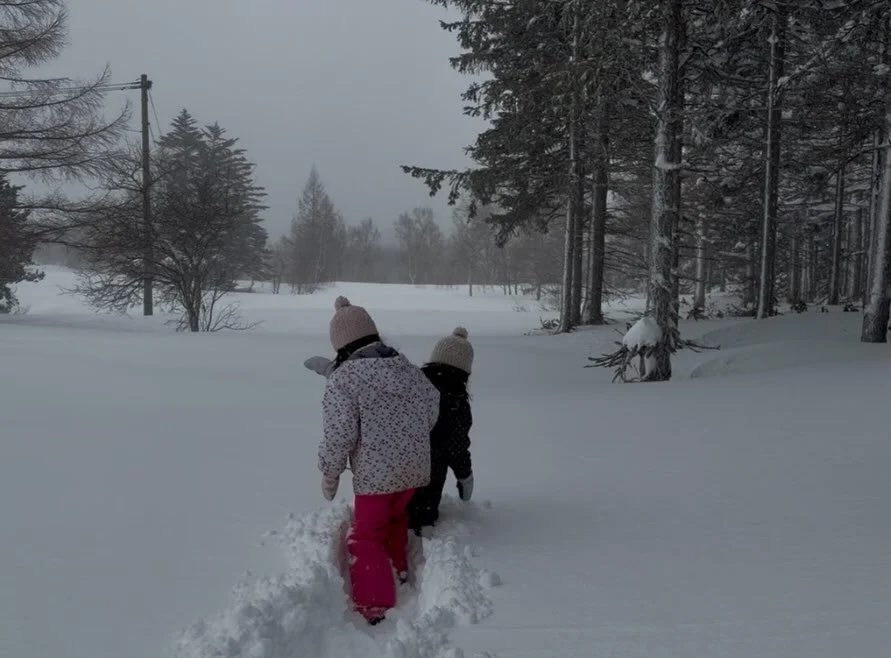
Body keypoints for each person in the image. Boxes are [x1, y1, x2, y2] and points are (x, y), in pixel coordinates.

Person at [317, 296, 440, 625]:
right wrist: (408, 439)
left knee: (365, 536)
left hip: (376, 477)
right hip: (414, 471)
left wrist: (330, 473)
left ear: (341, 345)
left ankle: (375, 604)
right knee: (395, 520)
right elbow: (432, 405)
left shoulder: (344, 379)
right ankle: (398, 572)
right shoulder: (407, 369)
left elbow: (339, 434)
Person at [406, 327, 475, 535]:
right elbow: (457, 447)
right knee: (421, 517)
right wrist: (465, 476)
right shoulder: (457, 403)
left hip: (394, 472)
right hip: (429, 482)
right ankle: (421, 531)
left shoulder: (410, 385)